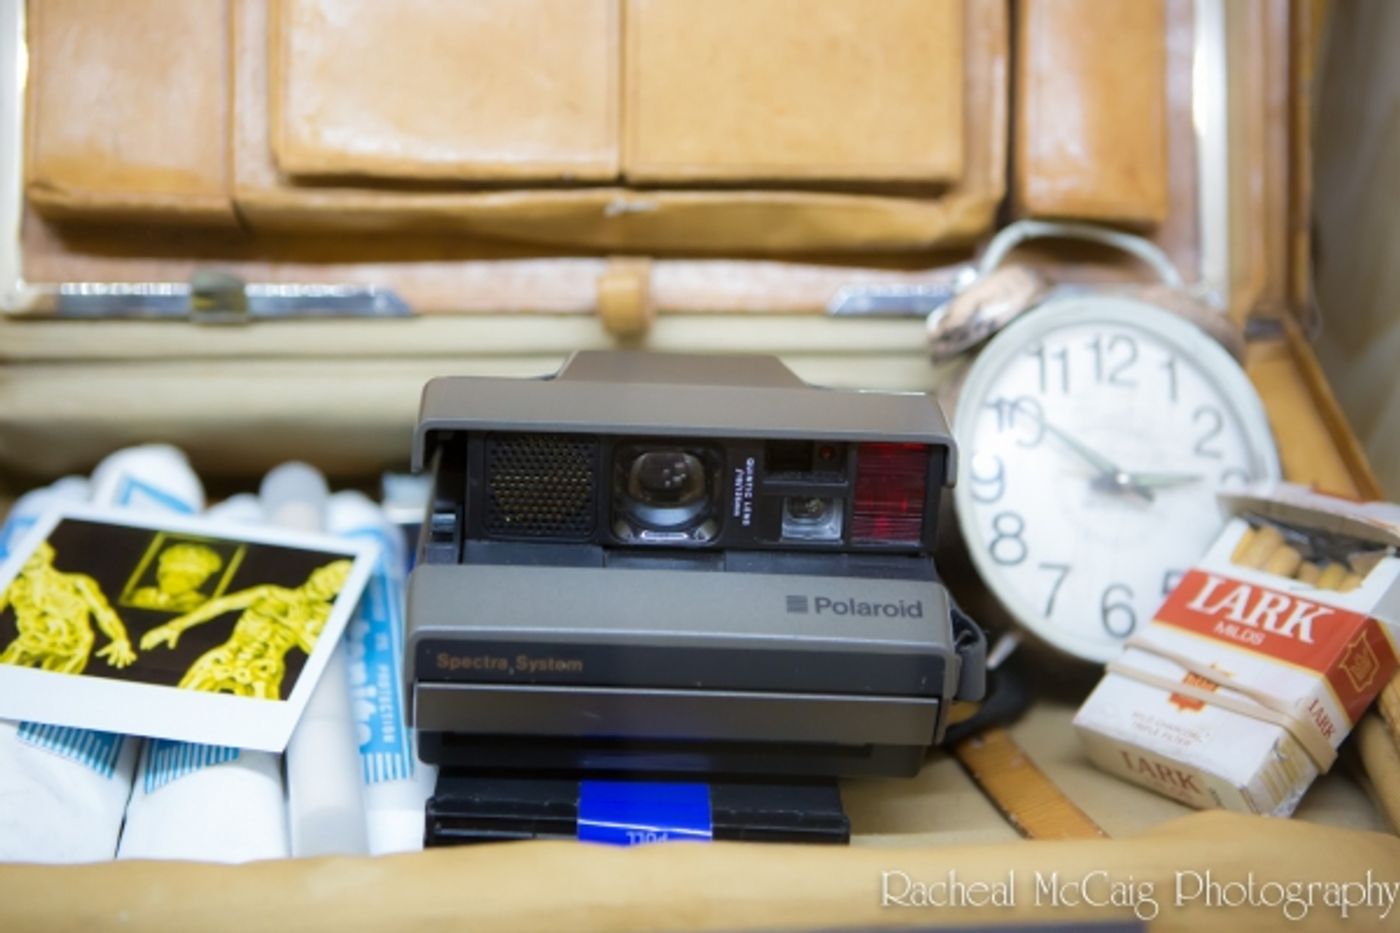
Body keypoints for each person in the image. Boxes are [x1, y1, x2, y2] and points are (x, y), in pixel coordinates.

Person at [139, 560, 352, 700]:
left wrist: (298, 629)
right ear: (316, 571)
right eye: (328, 576)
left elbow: (320, 651)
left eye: (335, 584)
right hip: (223, 658)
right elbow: (221, 605)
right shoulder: (269, 593)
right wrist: (172, 626)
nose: (326, 584)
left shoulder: (325, 615)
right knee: (182, 702)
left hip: (263, 672)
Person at [0, 540, 136, 674]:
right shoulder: (13, 588)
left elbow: (104, 613)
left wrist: (120, 639)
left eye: (35, 554)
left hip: (71, 648)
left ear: (48, 553)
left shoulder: (78, 583)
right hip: (29, 644)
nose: (29, 559)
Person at [127, 542, 224, 613]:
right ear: (159, 575)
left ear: (197, 582)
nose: (173, 581)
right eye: (167, 575)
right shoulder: (139, 596)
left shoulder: (204, 605)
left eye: (183, 577)